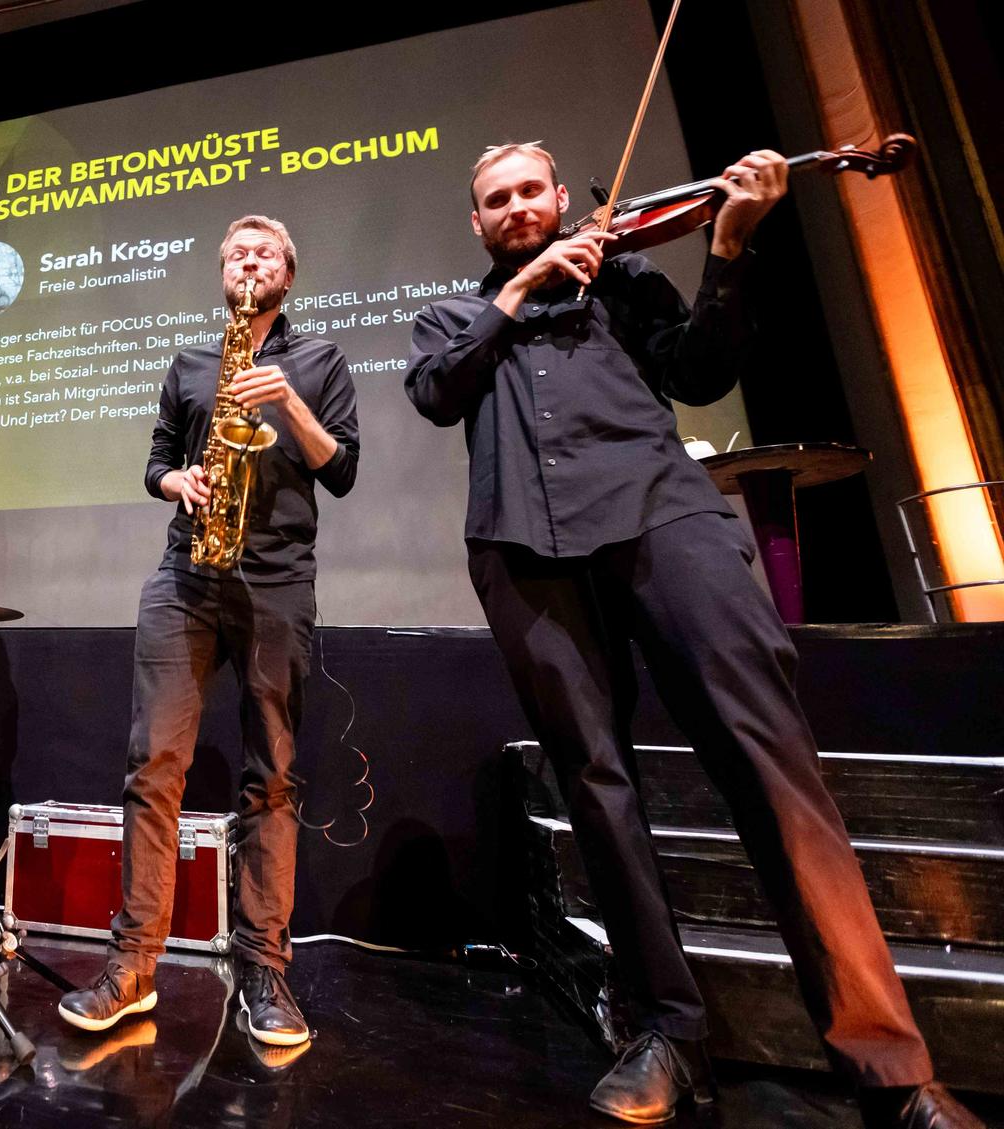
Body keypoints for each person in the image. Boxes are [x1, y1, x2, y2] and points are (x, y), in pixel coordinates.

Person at [405, 142, 981, 1129]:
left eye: (532, 190)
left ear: (559, 194)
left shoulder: (622, 280)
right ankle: (667, 1028)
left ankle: (889, 1069)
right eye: (495, 200)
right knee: (597, 784)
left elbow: (704, 372)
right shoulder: (458, 315)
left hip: (666, 519)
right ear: (477, 223)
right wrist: (521, 292)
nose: (516, 208)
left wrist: (728, 246)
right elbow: (435, 391)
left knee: (772, 765)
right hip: (525, 551)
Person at [58, 215, 359, 1049]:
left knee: (272, 775)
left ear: (286, 276)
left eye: (263, 253)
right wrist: (174, 480)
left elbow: (343, 467)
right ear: (223, 272)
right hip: (186, 575)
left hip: (274, 581)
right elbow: (155, 456)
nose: (248, 262)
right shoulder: (192, 363)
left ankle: (264, 968)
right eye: (235, 253)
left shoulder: (321, 360)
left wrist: (288, 399)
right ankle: (133, 965)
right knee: (152, 767)